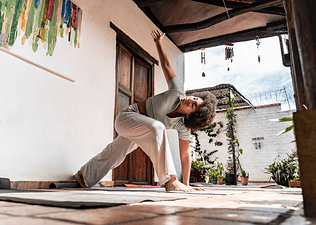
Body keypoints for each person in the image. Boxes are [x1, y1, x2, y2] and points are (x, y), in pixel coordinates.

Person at [73, 30, 217, 192]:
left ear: (191, 115)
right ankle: (170, 181)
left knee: (115, 153)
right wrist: (158, 43)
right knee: (159, 127)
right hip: (128, 117)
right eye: (194, 98)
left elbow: (185, 156)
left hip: (142, 131)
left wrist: (188, 184)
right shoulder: (177, 91)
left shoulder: (183, 127)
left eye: (193, 105)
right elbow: (167, 65)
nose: (190, 99)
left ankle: (83, 176)